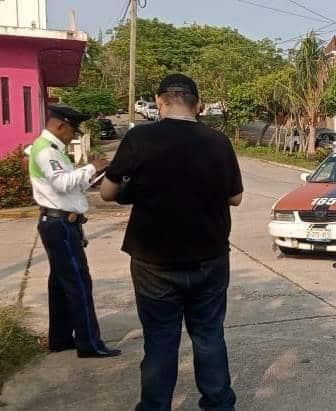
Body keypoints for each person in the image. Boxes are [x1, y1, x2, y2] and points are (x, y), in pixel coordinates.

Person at [100, 74, 243, 411]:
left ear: (159, 100)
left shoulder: (140, 138)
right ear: (198, 104)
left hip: (154, 262)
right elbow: (235, 198)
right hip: (209, 258)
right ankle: (219, 405)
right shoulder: (218, 141)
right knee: (208, 337)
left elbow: (107, 193)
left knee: (160, 342)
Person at [28, 105, 121, 358]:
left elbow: (69, 185)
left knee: (60, 283)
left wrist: (94, 176)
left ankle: (59, 339)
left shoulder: (51, 149)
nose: (74, 135)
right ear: (60, 125)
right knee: (78, 283)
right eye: (73, 130)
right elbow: (61, 183)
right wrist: (92, 167)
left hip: (58, 223)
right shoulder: (47, 151)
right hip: (60, 225)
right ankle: (89, 343)